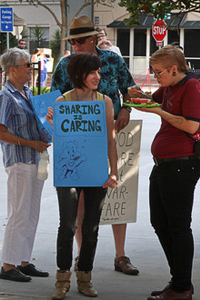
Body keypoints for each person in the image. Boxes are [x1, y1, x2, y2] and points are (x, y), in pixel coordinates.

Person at [51, 15, 138, 276]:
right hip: (79, 142)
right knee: (79, 203)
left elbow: (129, 89)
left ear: (93, 39)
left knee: (119, 194)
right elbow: (54, 99)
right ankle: (80, 256)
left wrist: (127, 110)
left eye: (80, 40)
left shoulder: (113, 60)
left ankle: (120, 255)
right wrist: (53, 117)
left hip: (115, 131)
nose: (76, 45)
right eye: (73, 41)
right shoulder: (65, 65)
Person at [128, 44, 200, 300]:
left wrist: (158, 111)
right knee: (160, 222)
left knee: (178, 226)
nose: (155, 75)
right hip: (165, 164)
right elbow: (153, 101)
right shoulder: (171, 86)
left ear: (175, 69)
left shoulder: (192, 88)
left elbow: (192, 124)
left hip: (181, 164)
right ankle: (179, 280)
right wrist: (137, 95)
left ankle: (182, 287)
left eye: (159, 71)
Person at [47, 53, 118, 299]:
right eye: (91, 73)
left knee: (91, 227)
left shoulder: (105, 102)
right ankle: (62, 278)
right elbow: (58, 139)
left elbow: (110, 139)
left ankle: (85, 276)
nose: (97, 77)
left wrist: (114, 170)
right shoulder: (62, 101)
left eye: (98, 72)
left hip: (96, 171)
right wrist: (52, 122)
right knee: (67, 225)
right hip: (69, 173)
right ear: (78, 75)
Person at [0, 48, 50, 283]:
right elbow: (0, 133)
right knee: (18, 213)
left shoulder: (27, 92)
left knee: (31, 213)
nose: (31, 69)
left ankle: (24, 261)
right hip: (19, 160)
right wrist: (31, 143)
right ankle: (8, 265)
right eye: (27, 65)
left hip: (36, 159)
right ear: (12, 70)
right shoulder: (5, 97)